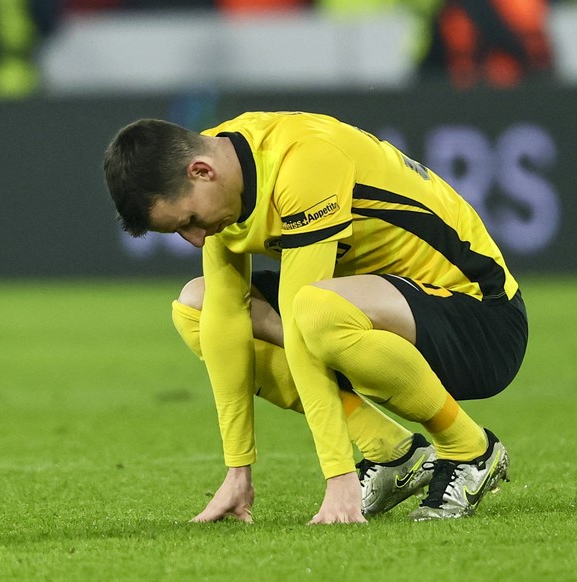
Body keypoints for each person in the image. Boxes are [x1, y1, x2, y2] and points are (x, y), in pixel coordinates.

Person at [103, 111, 528, 524]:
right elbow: (225, 316)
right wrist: (238, 470)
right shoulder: (221, 161)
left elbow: (302, 318)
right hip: (386, 314)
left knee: (313, 310)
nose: (196, 239)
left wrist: (337, 474)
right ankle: (391, 452)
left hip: (481, 323)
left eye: (191, 221)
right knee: (197, 306)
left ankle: (469, 448)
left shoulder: (304, 161)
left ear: (202, 172)